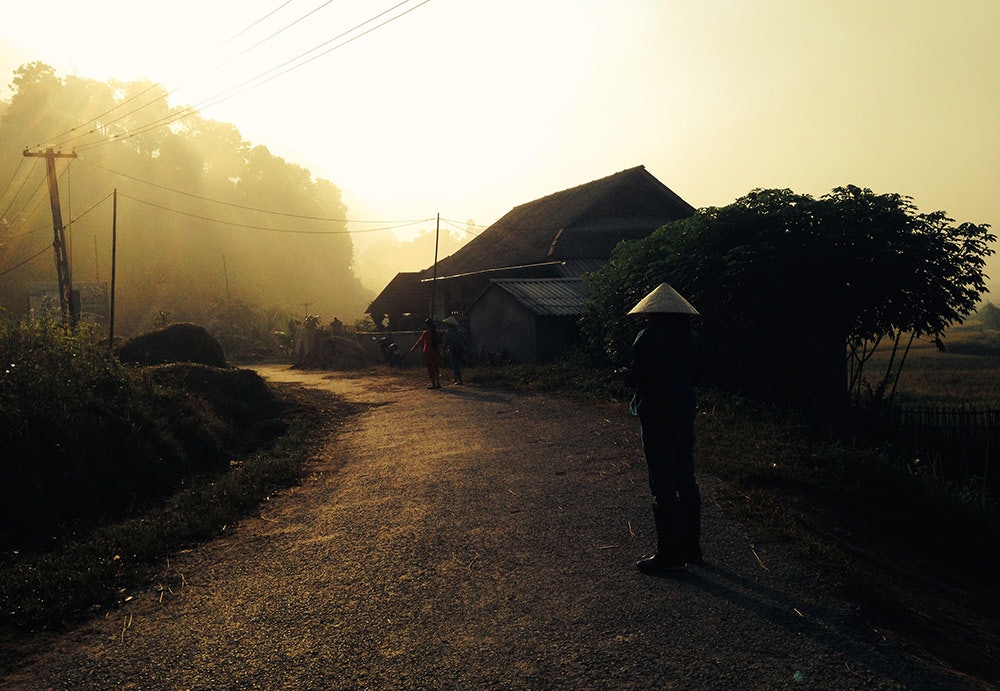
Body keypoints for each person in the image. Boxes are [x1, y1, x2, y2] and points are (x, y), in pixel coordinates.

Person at [623, 282, 704, 573]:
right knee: (686, 478)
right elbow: (697, 377)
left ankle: (669, 554)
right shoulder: (692, 338)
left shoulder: (647, 338)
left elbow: (636, 378)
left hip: (656, 415)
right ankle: (692, 548)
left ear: (653, 313)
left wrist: (625, 375)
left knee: (662, 483)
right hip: (684, 413)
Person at [410, 318, 442, 389]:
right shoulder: (438, 333)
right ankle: (438, 383)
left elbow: (419, 342)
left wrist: (413, 349)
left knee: (430, 368)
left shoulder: (426, 333)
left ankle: (433, 384)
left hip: (427, 352)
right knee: (436, 367)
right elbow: (441, 343)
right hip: (436, 352)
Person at [441, 316, 468, 385]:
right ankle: (456, 379)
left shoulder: (448, 332)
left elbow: (446, 342)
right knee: (457, 364)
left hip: (453, 349)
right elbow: (464, 340)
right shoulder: (459, 332)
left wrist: (444, 348)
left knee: (454, 365)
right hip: (459, 349)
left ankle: (459, 380)